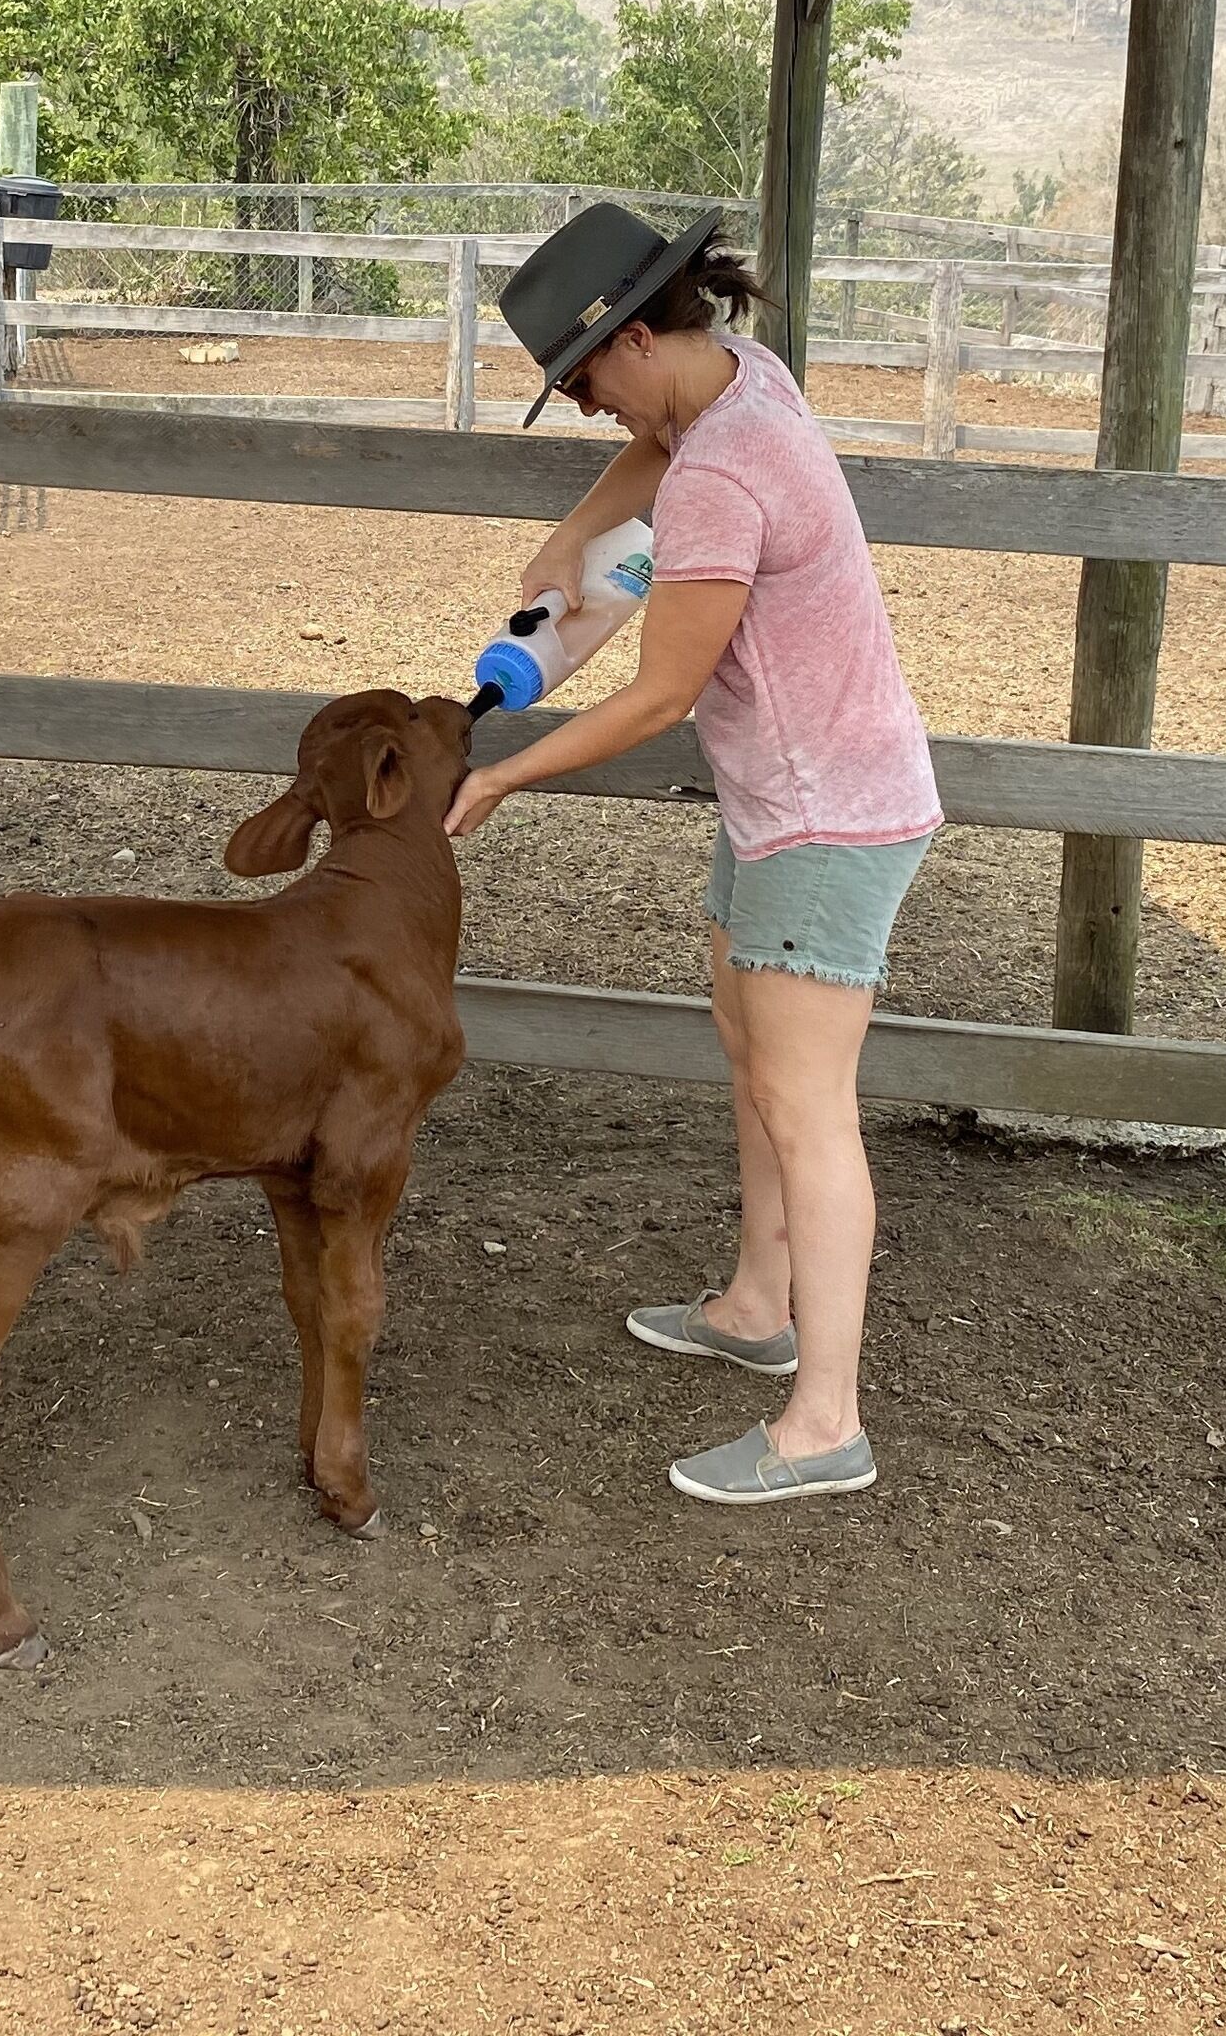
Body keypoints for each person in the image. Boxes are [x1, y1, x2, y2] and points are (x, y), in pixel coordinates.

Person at [443, 202, 940, 1506]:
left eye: (586, 377)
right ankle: (756, 1303)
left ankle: (824, 1422)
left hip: (824, 812)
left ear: (641, 335)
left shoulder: (727, 472)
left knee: (808, 1103)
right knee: (748, 1041)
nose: (593, 406)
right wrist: (564, 553)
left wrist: (502, 775)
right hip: (780, 797)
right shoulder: (735, 386)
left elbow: (660, 692)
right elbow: (642, 462)